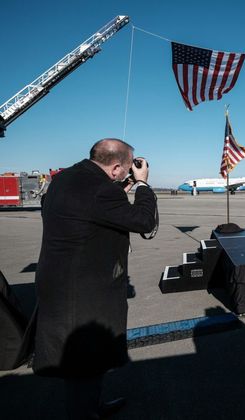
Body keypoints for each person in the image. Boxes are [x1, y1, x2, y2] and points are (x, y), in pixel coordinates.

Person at [33, 138, 157, 419]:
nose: (129, 173)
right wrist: (143, 186)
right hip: (83, 289)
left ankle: (92, 407)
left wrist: (119, 189)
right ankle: (85, 414)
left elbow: (84, 209)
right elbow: (143, 221)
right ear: (115, 167)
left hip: (59, 281)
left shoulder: (66, 178)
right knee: (85, 361)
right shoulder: (101, 191)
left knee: (86, 359)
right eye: (126, 169)